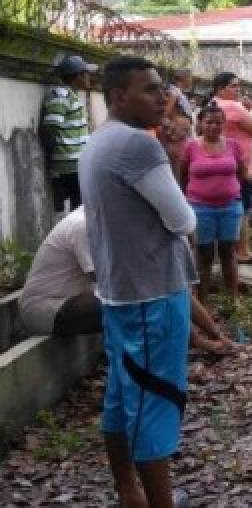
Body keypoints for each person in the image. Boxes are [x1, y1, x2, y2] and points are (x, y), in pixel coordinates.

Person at [80, 57, 196, 508]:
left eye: (161, 88)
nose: (161, 98)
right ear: (117, 97)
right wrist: (168, 161)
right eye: (149, 89)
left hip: (118, 291)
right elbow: (182, 218)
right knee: (154, 402)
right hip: (152, 294)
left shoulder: (97, 142)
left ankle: (129, 492)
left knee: (121, 396)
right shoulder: (138, 147)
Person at [18, 206, 233, 355]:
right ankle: (144, 370)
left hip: (76, 302)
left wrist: (216, 334)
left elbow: (168, 286)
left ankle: (196, 343)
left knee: (158, 288)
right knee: (138, 299)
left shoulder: (111, 225)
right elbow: (111, 285)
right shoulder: (83, 226)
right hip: (46, 310)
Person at [180, 102, 252, 305]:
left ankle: (233, 298)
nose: (214, 126)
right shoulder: (191, 147)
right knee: (204, 256)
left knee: (228, 253)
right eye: (209, 122)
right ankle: (203, 302)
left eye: (219, 122)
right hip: (200, 207)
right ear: (201, 123)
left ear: (224, 124)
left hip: (230, 206)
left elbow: (242, 173)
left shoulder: (233, 146)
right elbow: (183, 176)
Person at [211, 72, 252, 265]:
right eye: (233, 86)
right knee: (242, 207)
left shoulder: (211, 106)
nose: (238, 89)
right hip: (241, 164)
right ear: (220, 89)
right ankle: (243, 250)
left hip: (219, 161)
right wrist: (247, 110)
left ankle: (231, 249)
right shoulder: (232, 106)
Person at [40, 54, 97, 213]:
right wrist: (57, 156)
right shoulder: (61, 96)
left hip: (75, 163)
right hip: (70, 165)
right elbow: (50, 127)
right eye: (86, 74)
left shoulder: (70, 95)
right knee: (79, 211)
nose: (89, 77)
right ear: (78, 76)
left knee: (79, 209)